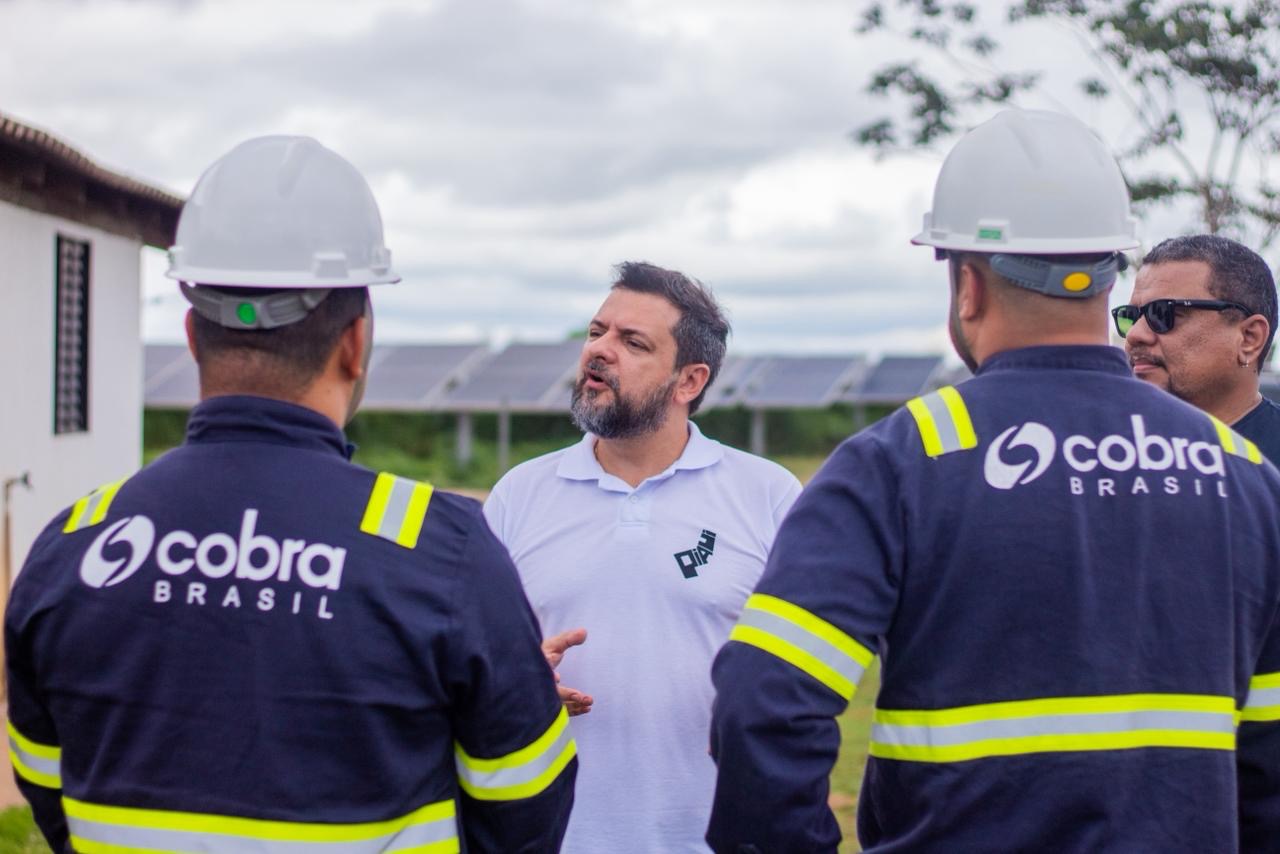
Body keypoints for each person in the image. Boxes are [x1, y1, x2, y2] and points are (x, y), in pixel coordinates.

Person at [706, 110, 1280, 852]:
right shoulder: (1241, 471)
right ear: (1108, 278)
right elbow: (1267, 752)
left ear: (967, 283)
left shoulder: (901, 462)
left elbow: (764, 705)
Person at [5, 136, 575, 853]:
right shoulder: (442, 552)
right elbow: (525, 806)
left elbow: (46, 784)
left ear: (190, 333)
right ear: (355, 343)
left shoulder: (75, 543)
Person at [483, 262, 801, 853]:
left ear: (689, 381)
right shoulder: (517, 496)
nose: (599, 351)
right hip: (554, 837)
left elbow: (806, 675)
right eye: (597, 331)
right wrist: (518, 682)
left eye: (632, 342)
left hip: (720, 836)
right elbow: (470, 667)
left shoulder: (768, 495)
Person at [1115, 234, 1280, 463]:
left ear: (1249, 338)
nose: (1135, 334)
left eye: (1164, 314)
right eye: (1130, 317)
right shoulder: (1105, 452)